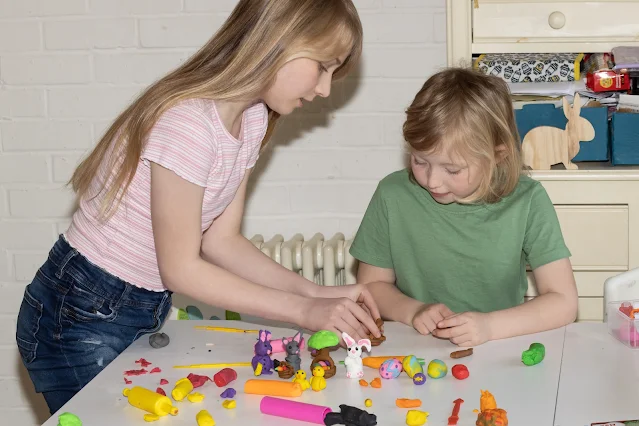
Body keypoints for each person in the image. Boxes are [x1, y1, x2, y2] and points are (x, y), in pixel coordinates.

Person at [16, 0, 381, 415]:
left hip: (132, 305)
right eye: (323, 66)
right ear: (278, 41)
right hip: (80, 312)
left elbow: (221, 241)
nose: (324, 89)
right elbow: (182, 268)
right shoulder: (190, 125)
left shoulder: (253, 120)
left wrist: (314, 292)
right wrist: (304, 309)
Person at [350, 67, 578, 348]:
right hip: (413, 347)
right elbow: (372, 286)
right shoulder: (392, 194)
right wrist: (414, 311)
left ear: (497, 154)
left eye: (453, 169)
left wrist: (489, 326)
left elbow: (563, 302)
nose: (432, 180)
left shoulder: (528, 200)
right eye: (420, 161)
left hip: (500, 348)